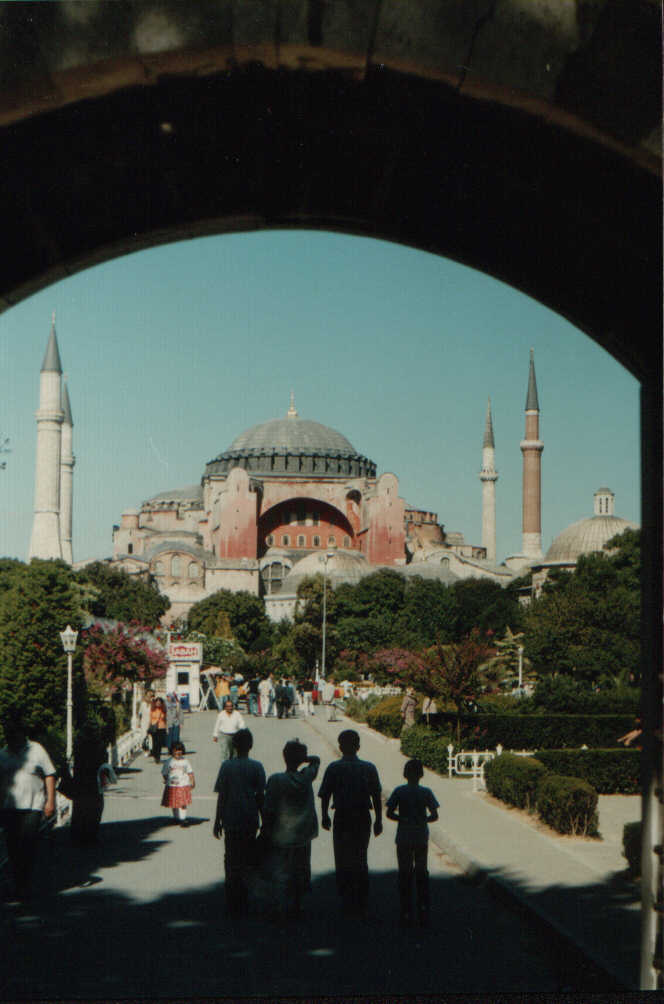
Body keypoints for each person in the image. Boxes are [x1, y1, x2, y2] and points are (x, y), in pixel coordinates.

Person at [318, 729, 382, 917]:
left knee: (342, 856)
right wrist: (378, 819)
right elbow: (376, 795)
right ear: (358, 747)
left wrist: (324, 815)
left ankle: (346, 896)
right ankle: (361, 897)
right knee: (360, 856)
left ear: (340, 747)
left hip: (342, 816)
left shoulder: (334, 768)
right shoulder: (369, 768)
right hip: (362, 816)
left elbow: (325, 794)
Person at [0, 708, 56, 902]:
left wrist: (50, 801)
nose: (10, 738)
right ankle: (19, 883)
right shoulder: (3, 754)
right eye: (7, 734)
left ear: (21, 733)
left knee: (28, 845)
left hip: (33, 806)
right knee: (13, 847)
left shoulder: (36, 750)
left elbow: (50, 774)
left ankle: (23, 884)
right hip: (9, 808)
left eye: (13, 734)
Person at [262, 739, 320, 919]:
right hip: (302, 833)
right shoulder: (306, 777)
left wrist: (265, 830)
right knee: (300, 869)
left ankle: (279, 906)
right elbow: (316, 761)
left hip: (281, 833)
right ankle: (297, 904)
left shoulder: (276, 780)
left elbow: (269, 808)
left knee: (280, 870)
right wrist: (304, 758)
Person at [213, 729, 266, 916]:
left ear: (234, 745)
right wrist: (265, 820)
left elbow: (222, 795)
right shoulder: (257, 767)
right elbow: (261, 796)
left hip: (231, 819)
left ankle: (232, 896)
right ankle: (245, 895)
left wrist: (217, 820)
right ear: (250, 745)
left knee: (231, 858)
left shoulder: (227, 767)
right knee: (248, 858)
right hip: (250, 819)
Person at [385, 758, 439, 926]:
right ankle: (423, 908)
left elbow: (389, 813)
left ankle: (406, 910)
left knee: (405, 872)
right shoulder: (426, 792)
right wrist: (423, 819)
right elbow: (434, 815)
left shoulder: (399, 791)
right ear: (421, 775)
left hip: (404, 835)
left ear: (405, 774)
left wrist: (402, 818)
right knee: (422, 871)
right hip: (421, 835)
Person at [161, 740, 195, 827]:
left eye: (179, 750)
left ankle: (183, 819)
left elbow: (190, 772)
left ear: (182, 751)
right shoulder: (168, 761)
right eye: (176, 750)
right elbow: (164, 772)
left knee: (183, 803)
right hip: (172, 785)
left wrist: (192, 781)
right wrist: (166, 779)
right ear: (172, 751)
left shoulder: (185, 761)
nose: (178, 752)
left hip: (183, 784)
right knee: (174, 803)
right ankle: (176, 818)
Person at [149, 696, 168, 762]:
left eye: (159, 703)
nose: (158, 704)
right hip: (154, 727)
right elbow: (150, 718)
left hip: (161, 727)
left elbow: (165, 720)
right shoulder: (152, 710)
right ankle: (155, 754)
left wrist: (166, 728)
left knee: (159, 743)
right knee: (155, 742)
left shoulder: (163, 710)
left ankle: (158, 756)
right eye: (157, 703)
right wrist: (149, 727)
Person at [139, 689, 154, 758]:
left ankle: (150, 750)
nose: (149, 697)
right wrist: (139, 722)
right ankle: (145, 749)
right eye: (148, 695)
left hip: (151, 721)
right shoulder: (143, 704)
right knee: (144, 736)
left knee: (150, 737)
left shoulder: (153, 704)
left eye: (150, 695)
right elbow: (140, 713)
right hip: (144, 721)